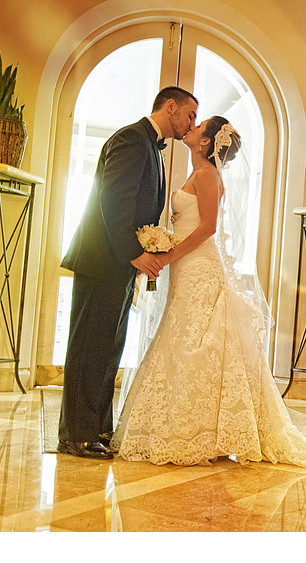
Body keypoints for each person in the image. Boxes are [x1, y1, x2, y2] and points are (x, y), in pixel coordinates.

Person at [112, 116, 306, 468]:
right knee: (183, 336)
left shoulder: (209, 176)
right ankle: (195, 425)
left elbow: (207, 228)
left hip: (199, 266)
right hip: (187, 265)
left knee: (195, 339)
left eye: (199, 127)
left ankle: (201, 430)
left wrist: (166, 256)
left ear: (206, 142)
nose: (191, 129)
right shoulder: (198, 174)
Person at [57, 86, 199, 460]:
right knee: (89, 348)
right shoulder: (132, 139)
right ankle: (76, 434)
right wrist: (135, 254)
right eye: (189, 115)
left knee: (107, 350)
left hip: (116, 265)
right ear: (171, 107)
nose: (191, 124)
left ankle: (97, 427)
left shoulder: (150, 145)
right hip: (102, 261)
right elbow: (114, 199)